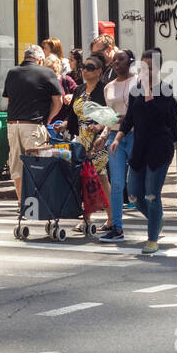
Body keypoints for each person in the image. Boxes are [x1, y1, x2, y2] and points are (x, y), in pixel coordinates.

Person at [109, 47, 177, 255]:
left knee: (151, 194)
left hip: (159, 148)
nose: (146, 71)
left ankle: (152, 239)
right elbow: (130, 117)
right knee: (133, 194)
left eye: (150, 67)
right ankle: (156, 219)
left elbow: (168, 124)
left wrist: (149, 94)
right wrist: (118, 138)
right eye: (143, 66)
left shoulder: (165, 91)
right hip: (139, 148)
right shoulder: (135, 90)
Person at [2, 44, 62, 203]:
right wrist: (49, 118)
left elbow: (8, 99)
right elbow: (58, 101)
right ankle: (39, 203)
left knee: (17, 166)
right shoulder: (47, 73)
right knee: (37, 165)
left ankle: (23, 203)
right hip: (34, 125)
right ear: (40, 60)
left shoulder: (12, 73)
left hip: (13, 125)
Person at [71, 53, 114, 230]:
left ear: (99, 71)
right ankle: (102, 218)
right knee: (95, 178)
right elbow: (73, 115)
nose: (84, 71)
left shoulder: (104, 90)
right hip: (81, 139)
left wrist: (98, 127)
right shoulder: (79, 90)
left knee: (93, 177)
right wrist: (64, 125)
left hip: (98, 139)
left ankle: (96, 218)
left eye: (90, 68)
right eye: (83, 67)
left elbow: (112, 116)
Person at [100, 48, 139, 242]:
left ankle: (155, 218)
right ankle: (117, 227)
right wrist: (103, 135)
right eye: (114, 61)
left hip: (136, 135)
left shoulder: (139, 82)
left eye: (120, 60)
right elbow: (108, 116)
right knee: (116, 184)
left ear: (130, 61)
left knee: (137, 184)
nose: (116, 63)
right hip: (115, 137)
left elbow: (146, 111)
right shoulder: (108, 87)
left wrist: (131, 118)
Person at [42, 54, 79, 130]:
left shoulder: (66, 80)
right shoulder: (40, 83)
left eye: (54, 71)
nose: (51, 75)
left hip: (63, 125)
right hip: (45, 124)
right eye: (48, 71)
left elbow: (81, 94)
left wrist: (72, 96)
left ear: (58, 69)